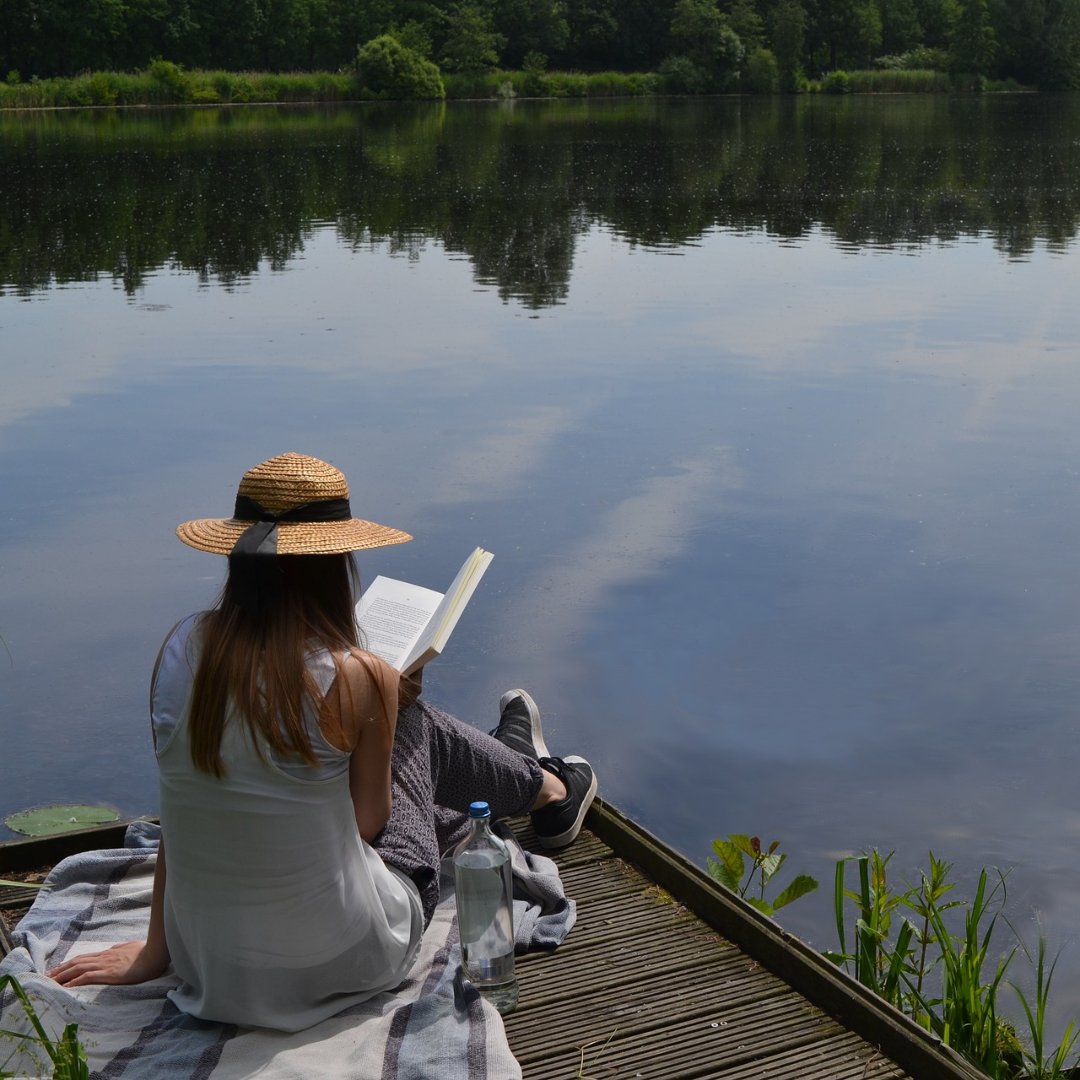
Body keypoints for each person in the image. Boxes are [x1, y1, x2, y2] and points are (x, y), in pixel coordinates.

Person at [48, 452, 597, 1031]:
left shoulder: (180, 649)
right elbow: (368, 825)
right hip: (349, 957)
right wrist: (386, 708)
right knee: (417, 730)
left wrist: (157, 952)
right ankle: (547, 787)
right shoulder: (357, 675)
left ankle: (522, 771)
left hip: (210, 963)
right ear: (335, 562)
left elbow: (181, 811)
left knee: (398, 734)